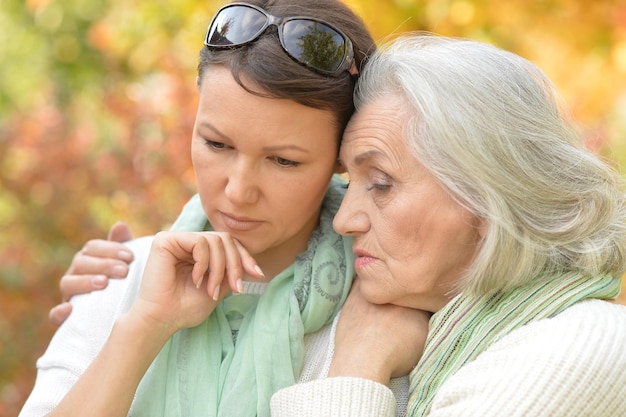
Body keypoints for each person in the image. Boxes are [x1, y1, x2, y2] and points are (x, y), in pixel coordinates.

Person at [19, 2, 429, 416]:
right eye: (217, 144)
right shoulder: (120, 278)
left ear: (343, 157)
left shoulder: (396, 310)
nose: (237, 192)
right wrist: (142, 329)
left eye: (283, 160)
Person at [266, 33, 626, 416]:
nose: (343, 220)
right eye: (349, 183)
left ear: (487, 199)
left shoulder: (580, 348)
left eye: (381, 184)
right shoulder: (366, 316)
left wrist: (359, 362)